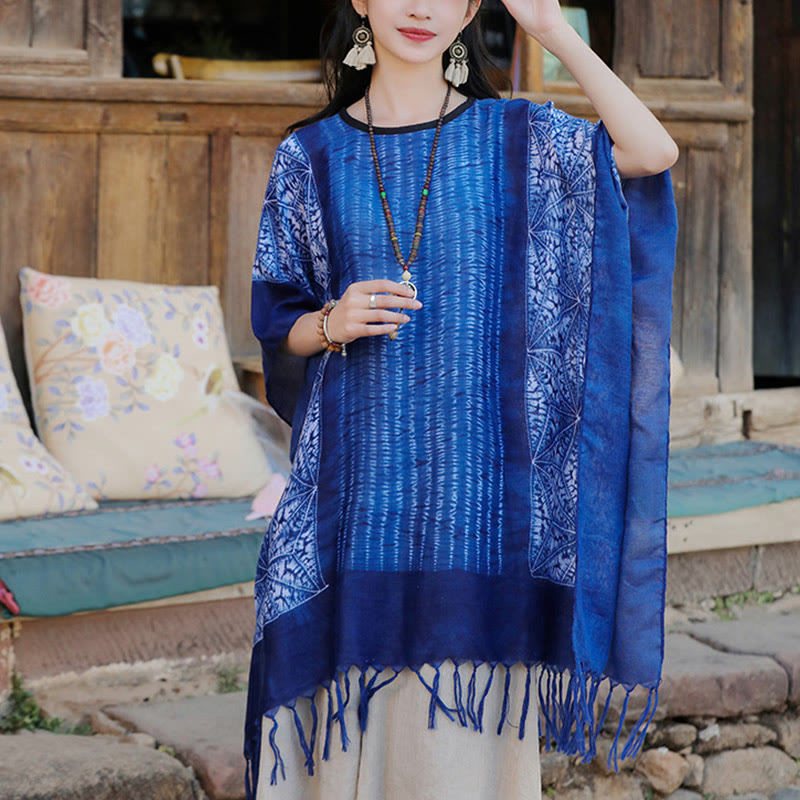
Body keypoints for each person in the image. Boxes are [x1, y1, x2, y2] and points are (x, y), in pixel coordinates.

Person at [244, 1, 680, 798]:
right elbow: (279, 321)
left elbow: (651, 152)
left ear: (473, 9)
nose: (421, 7)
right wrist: (332, 321)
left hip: (481, 519)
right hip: (354, 508)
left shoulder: (520, 138)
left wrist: (550, 29)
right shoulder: (309, 154)